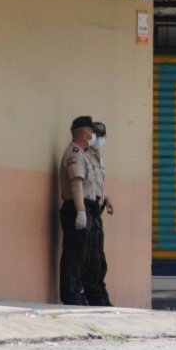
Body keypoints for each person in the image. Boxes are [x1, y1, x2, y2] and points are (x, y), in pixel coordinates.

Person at [58, 115, 98, 305]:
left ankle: (77, 292)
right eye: (91, 131)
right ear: (84, 133)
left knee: (83, 254)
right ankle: (70, 294)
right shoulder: (74, 154)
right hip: (76, 208)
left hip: (85, 208)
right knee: (74, 254)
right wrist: (81, 210)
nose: (93, 135)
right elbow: (76, 184)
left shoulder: (84, 154)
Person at [82, 120, 114, 306]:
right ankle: (95, 299)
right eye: (97, 135)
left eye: (102, 136)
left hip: (97, 211)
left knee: (99, 259)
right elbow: (85, 186)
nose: (99, 139)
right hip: (88, 211)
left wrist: (106, 199)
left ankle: (100, 298)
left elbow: (96, 185)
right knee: (92, 259)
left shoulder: (100, 158)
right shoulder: (84, 156)